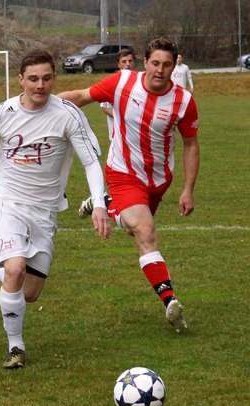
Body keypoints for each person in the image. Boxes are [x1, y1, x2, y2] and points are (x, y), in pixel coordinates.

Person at [0, 49, 111, 369]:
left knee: (30, 292)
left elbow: (90, 162)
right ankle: (16, 348)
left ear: (54, 78)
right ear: (20, 80)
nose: (40, 85)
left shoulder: (68, 114)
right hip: (6, 200)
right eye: (33, 79)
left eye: (46, 78)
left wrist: (99, 204)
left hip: (45, 209)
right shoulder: (4, 112)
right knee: (16, 269)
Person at [58, 37, 200, 334]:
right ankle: (171, 303)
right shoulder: (122, 82)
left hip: (159, 180)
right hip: (123, 172)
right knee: (146, 233)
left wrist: (188, 189)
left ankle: (107, 204)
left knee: (134, 227)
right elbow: (82, 95)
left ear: (175, 66)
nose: (160, 70)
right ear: (144, 62)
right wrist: (41, 102)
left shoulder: (183, 100)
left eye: (167, 65)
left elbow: (190, 144)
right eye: (155, 63)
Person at [79, 48, 137, 217]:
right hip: (118, 136)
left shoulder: (139, 82)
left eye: (130, 61)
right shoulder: (114, 82)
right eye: (123, 62)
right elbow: (104, 106)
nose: (127, 64)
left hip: (137, 136)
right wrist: (123, 115)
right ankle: (103, 199)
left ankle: (110, 198)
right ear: (118, 64)